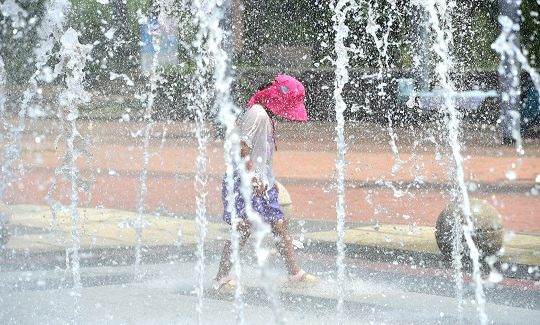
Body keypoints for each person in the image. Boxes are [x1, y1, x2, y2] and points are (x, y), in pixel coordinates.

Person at [213, 74, 316, 293]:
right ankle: (221, 277)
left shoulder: (267, 117)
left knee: (279, 224)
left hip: (261, 182)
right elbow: (242, 148)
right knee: (243, 228)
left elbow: (263, 157)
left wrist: (270, 180)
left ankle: (295, 273)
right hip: (244, 179)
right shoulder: (256, 114)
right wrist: (252, 177)